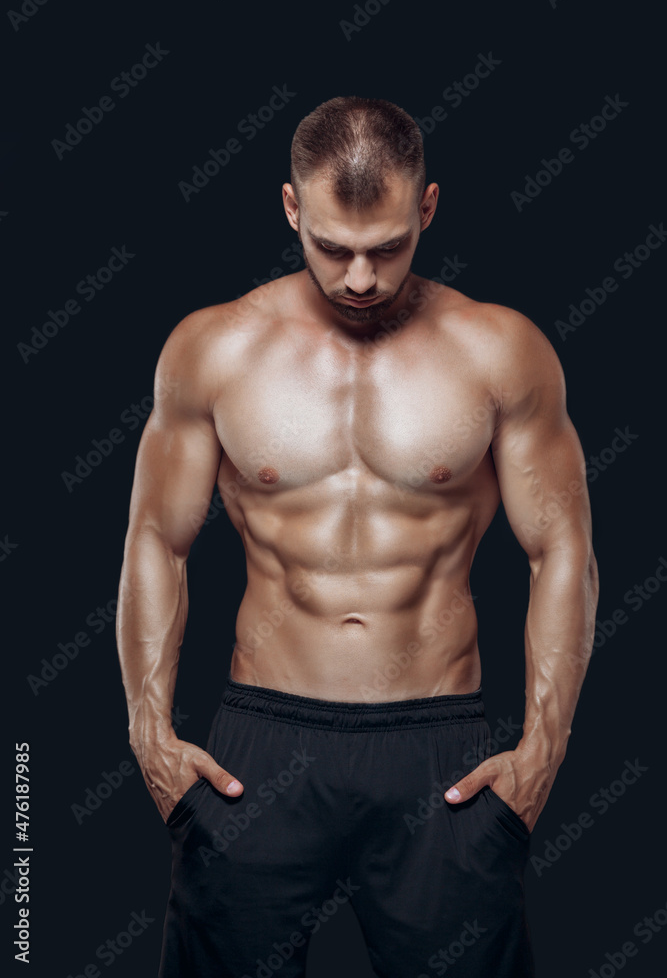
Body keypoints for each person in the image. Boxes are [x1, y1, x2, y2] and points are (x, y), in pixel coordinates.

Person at [116, 96, 598, 978]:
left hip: (439, 748)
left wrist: (542, 751)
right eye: (333, 248)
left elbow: (561, 548)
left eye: (387, 248)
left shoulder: (501, 351)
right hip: (257, 745)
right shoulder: (213, 349)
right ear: (292, 209)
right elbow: (156, 538)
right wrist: (150, 735)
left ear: (427, 207)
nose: (361, 279)